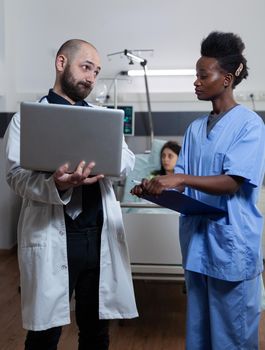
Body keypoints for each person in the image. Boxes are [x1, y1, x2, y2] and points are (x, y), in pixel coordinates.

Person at [131, 31, 265, 349]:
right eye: (196, 75)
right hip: (197, 248)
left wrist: (180, 180)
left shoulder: (250, 125)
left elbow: (232, 182)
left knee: (231, 338)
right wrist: (153, 189)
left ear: (227, 79)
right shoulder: (194, 129)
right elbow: (184, 190)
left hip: (231, 246)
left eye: (203, 75)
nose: (196, 82)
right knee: (200, 336)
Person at [4, 39, 138, 350]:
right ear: (61, 63)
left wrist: (106, 162)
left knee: (96, 332)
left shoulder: (103, 118)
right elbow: (16, 177)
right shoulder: (28, 118)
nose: (92, 77)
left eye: (97, 71)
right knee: (44, 333)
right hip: (53, 235)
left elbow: (128, 160)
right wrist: (59, 183)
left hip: (97, 234)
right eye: (86, 67)